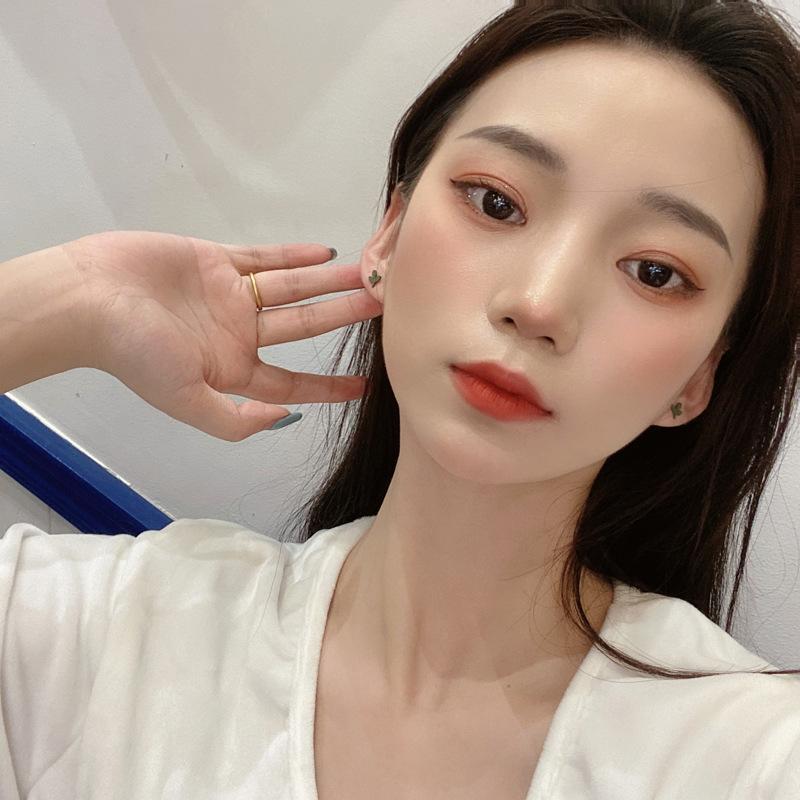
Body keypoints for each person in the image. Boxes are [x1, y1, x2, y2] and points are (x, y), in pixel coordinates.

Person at [1, 1, 800, 798]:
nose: (539, 303)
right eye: (496, 202)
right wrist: (71, 301)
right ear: (388, 234)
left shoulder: (752, 757)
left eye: (656, 272)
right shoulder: (111, 635)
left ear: (700, 375)